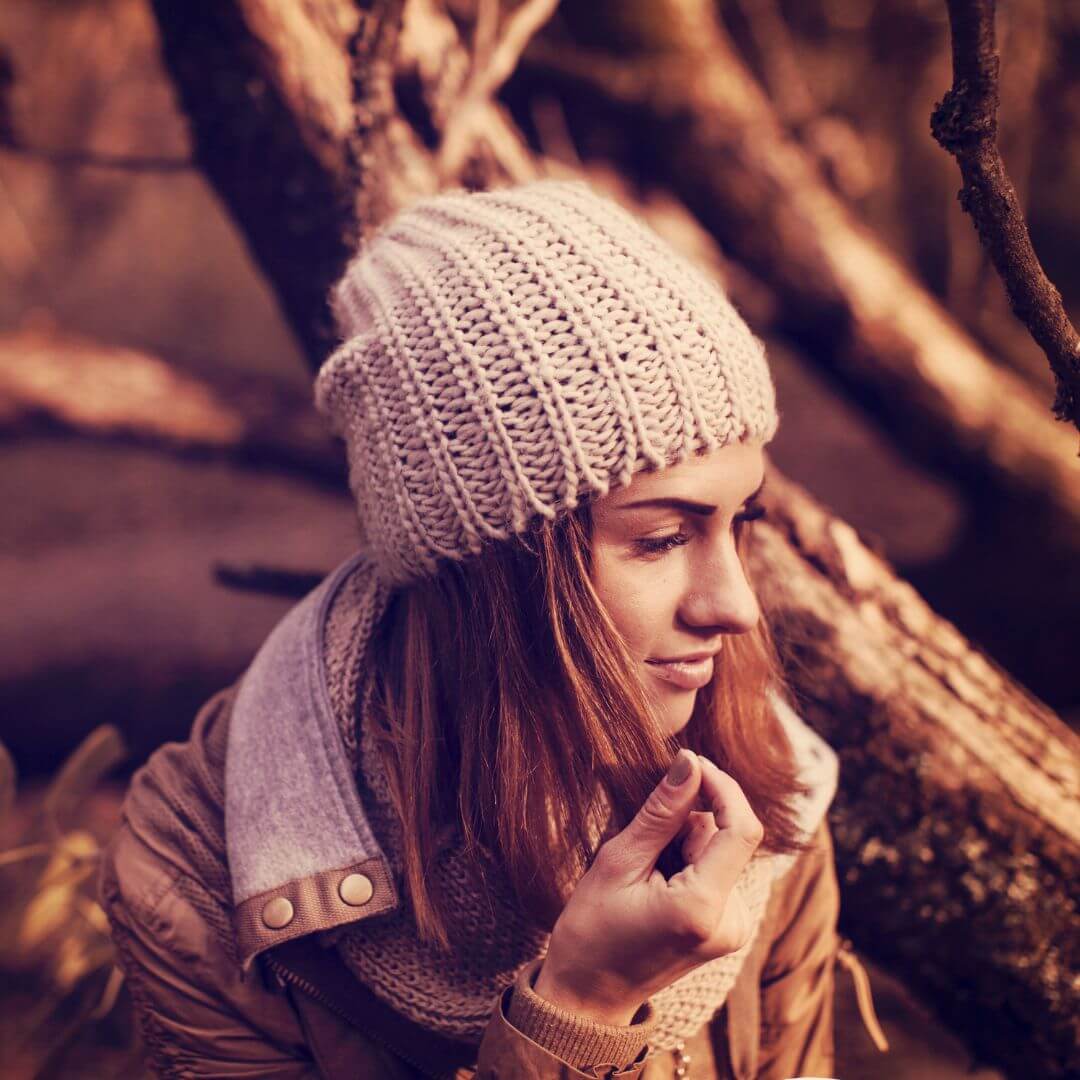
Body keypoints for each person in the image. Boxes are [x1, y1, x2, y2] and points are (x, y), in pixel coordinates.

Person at [99, 179, 847, 1078]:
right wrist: (581, 1010)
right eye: (659, 538)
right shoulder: (196, 874)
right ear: (488, 572)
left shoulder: (764, 784)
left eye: (741, 522)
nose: (735, 607)